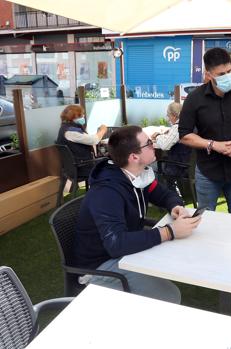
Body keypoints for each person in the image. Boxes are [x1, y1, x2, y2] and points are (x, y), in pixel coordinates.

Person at [72, 125, 201, 303]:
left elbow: (162, 194)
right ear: (134, 157)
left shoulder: (136, 175)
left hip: (125, 253)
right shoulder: (107, 192)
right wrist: (169, 232)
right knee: (170, 297)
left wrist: (175, 206)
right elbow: (116, 244)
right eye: (148, 143)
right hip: (100, 266)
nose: (153, 145)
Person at [179, 47, 231, 215]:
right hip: (207, 173)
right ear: (208, 74)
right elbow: (184, 135)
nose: (227, 77)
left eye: (229, 71)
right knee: (205, 221)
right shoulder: (194, 99)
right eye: (220, 74)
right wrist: (213, 145)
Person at [150, 102, 192, 195]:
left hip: (179, 166)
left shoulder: (178, 127)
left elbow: (165, 145)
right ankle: (170, 192)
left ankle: (159, 195)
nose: (168, 118)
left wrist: (157, 136)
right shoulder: (189, 124)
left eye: (168, 116)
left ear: (173, 116)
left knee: (151, 166)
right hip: (187, 164)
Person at [56, 104, 107, 177]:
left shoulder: (66, 128)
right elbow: (94, 140)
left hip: (77, 165)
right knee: (110, 163)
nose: (83, 117)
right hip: (82, 167)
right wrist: (103, 130)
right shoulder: (70, 132)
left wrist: (98, 135)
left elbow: (86, 139)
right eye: (81, 115)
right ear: (73, 117)